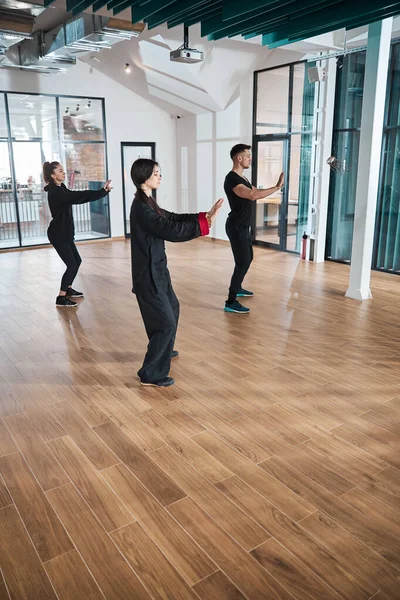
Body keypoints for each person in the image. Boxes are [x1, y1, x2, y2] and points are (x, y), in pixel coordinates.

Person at [130, 158, 223, 387]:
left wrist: (203, 217)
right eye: (155, 173)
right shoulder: (141, 207)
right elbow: (169, 230)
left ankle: (163, 350)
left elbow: (171, 217)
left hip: (158, 268)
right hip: (148, 274)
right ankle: (150, 374)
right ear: (144, 177)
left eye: (159, 173)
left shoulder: (148, 202)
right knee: (165, 322)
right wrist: (205, 225)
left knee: (172, 308)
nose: (159, 177)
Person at [224, 144, 284, 314]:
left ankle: (238, 287)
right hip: (236, 226)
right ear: (239, 158)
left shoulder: (243, 178)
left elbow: (254, 190)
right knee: (242, 262)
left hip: (242, 226)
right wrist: (276, 188)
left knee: (247, 258)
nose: (250, 159)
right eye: (248, 156)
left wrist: (273, 187)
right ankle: (230, 300)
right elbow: (252, 195)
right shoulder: (232, 179)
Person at [43, 161, 112, 308]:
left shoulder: (60, 187)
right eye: (60, 171)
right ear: (53, 175)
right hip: (58, 234)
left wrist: (101, 192)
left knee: (77, 261)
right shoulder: (56, 192)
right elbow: (79, 197)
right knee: (72, 265)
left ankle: (68, 288)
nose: (64, 173)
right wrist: (101, 192)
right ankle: (61, 297)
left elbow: (76, 196)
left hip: (64, 233)